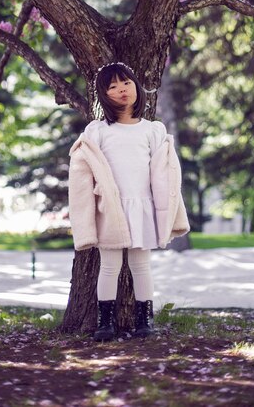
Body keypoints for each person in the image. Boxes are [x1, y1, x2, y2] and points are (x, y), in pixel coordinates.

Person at [68, 62, 190, 341]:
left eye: (126, 83)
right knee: (109, 266)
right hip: (110, 208)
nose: (121, 90)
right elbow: (83, 173)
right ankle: (105, 323)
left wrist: (167, 213)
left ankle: (143, 320)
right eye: (112, 86)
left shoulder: (152, 130)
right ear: (104, 95)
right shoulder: (98, 131)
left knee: (141, 265)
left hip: (142, 207)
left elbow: (165, 175)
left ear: (136, 86)